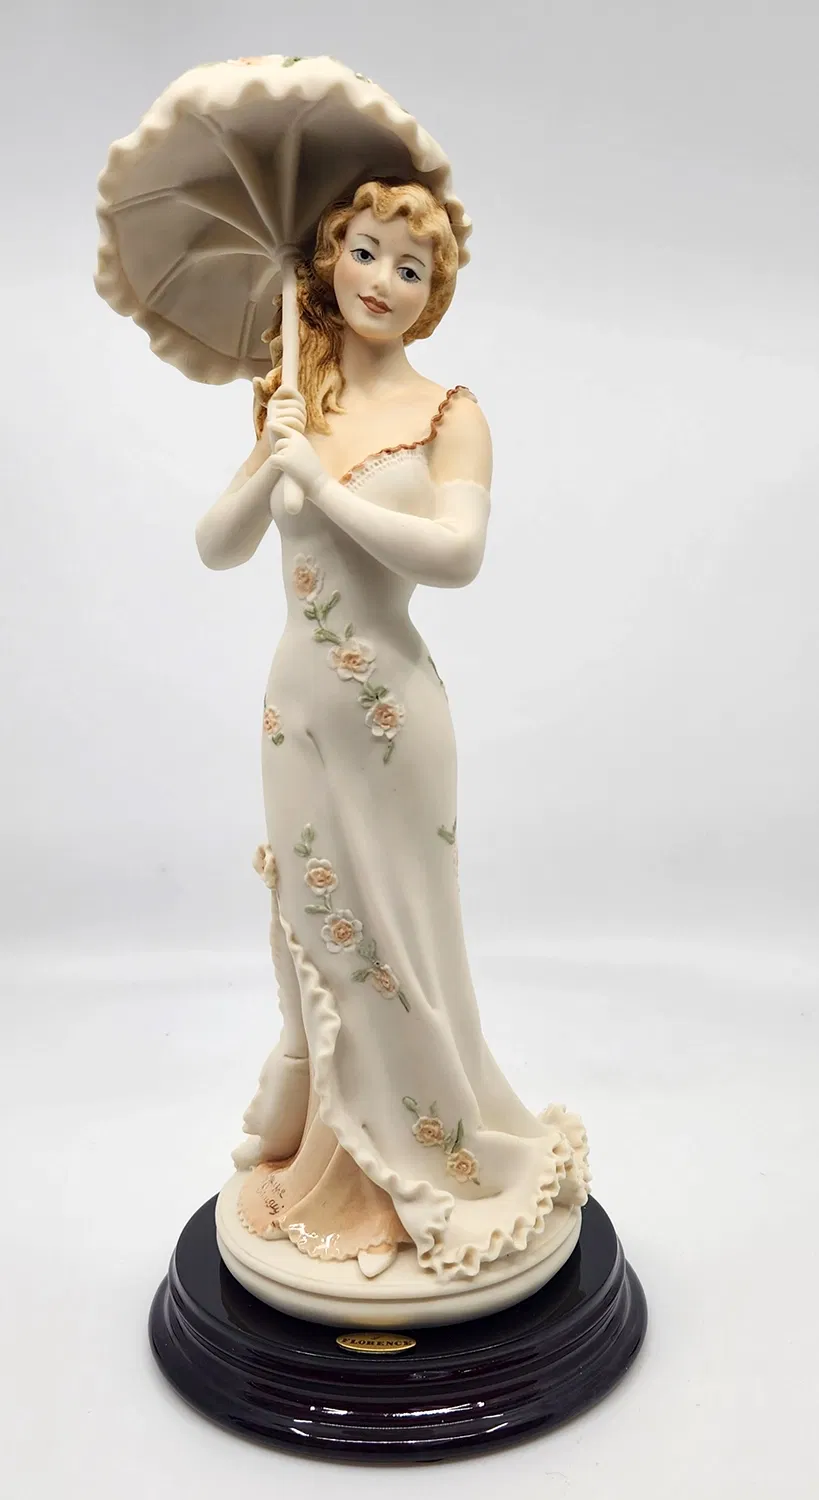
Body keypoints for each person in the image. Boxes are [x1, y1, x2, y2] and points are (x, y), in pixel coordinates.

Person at [195, 179, 589, 1284]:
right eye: (364, 251)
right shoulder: (294, 392)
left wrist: (323, 487)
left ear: (432, 296)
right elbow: (217, 545)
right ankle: (327, 1151)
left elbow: (457, 556)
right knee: (314, 924)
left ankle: (417, 1170)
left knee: (400, 944)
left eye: (410, 269)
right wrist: (273, 457)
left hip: (390, 714)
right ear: (329, 259)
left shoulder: (450, 415)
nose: (382, 281)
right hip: (296, 708)